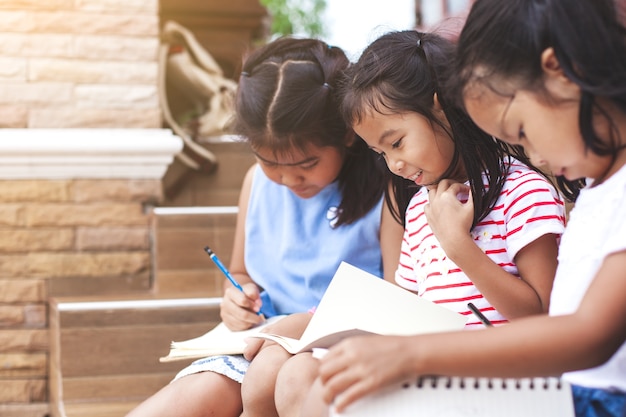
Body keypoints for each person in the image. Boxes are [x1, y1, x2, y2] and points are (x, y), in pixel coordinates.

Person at [311, 0, 626, 416]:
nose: (536, 156)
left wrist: (412, 355)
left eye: (522, 131)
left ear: (561, 72)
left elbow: (587, 335)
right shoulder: (597, 190)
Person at [267, 29, 568, 417]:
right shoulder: (418, 207)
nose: (393, 164)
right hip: (432, 369)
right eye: (380, 153)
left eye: (397, 142)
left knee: (326, 394)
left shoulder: (522, 191)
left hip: (505, 379)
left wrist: (459, 247)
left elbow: (543, 317)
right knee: (299, 375)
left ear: (441, 108)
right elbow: (408, 310)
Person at [124, 37, 404, 417]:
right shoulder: (256, 183)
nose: (288, 179)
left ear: (346, 134)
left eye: (306, 164)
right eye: (271, 162)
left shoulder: (384, 189)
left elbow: (395, 300)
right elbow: (241, 273)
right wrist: (238, 298)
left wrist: (299, 325)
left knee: (272, 378)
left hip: (338, 341)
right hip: (261, 338)